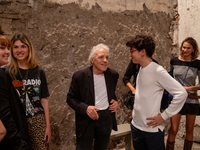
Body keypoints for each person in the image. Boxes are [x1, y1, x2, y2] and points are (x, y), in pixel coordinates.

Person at [126, 35, 187, 150]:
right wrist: (135, 110)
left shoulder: (158, 71)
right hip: (136, 127)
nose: (130, 55)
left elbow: (181, 93)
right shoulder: (141, 68)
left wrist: (164, 116)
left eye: (132, 51)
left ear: (143, 52)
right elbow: (142, 94)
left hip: (151, 131)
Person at [67, 43, 119, 150]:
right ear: (92, 60)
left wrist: (115, 102)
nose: (105, 60)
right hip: (86, 119)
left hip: (105, 117)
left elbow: (111, 94)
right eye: (101, 57)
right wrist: (86, 108)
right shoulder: (80, 76)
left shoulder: (113, 75)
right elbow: (70, 99)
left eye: (107, 57)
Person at [6, 33, 51, 150]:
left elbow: (44, 99)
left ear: (29, 48)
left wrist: (47, 126)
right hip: (18, 120)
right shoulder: (8, 73)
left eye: (23, 46)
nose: (19, 50)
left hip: (37, 120)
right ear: (11, 50)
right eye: (15, 47)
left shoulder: (38, 71)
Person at [166, 37, 200, 150]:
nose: (185, 50)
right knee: (173, 129)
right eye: (184, 47)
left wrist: (188, 88)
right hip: (176, 99)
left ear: (193, 49)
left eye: (188, 48)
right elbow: (170, 77)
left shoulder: (197, 64)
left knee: (189, 130)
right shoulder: (174, 61)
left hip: (192, 99)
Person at [0, 27, 29, 149]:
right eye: (2, 48)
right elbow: (5, 112)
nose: (7, 52)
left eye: (8, 48)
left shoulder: (4, 72)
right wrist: (19, 143)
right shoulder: (1, 74)